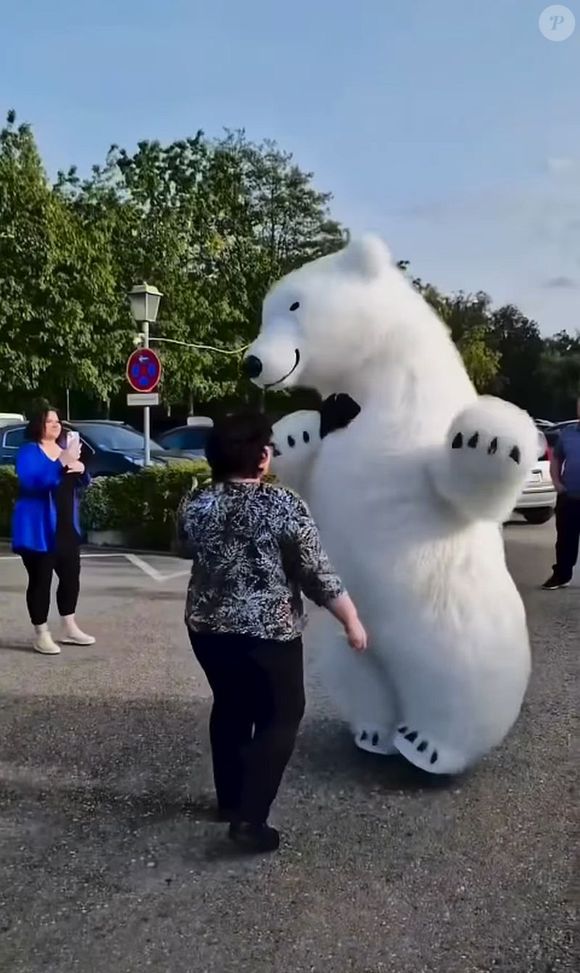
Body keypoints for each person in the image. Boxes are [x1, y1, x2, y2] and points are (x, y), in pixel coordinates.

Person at [181, 411, 367, 853]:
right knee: (281, 715)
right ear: (261, 456)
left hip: (207, 629)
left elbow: (182, 546)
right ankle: (251, 818)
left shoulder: (195, 502)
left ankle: (230, 801)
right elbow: (316, 573)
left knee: (229, 706)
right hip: (267, 634)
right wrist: (351, 619)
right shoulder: (283, 504)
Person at [12, 405, 95, 654]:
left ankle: (69, 627)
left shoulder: (64, 450)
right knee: (41, 580)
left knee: (71, 578)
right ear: (38, 425)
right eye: (50, 422)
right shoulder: (28, 452)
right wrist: (61, 461)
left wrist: (82, 471)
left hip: (67, 526)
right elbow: (33, 482)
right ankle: (41, 633)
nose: (56, 425)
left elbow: (75, 483)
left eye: (58, 421)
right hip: (38, 530)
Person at [543, 399, 580, 589]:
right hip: (570, 497)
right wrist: (557, 483)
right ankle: (561, 575)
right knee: (565, 540)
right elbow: (556, 459)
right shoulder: (567, 434)